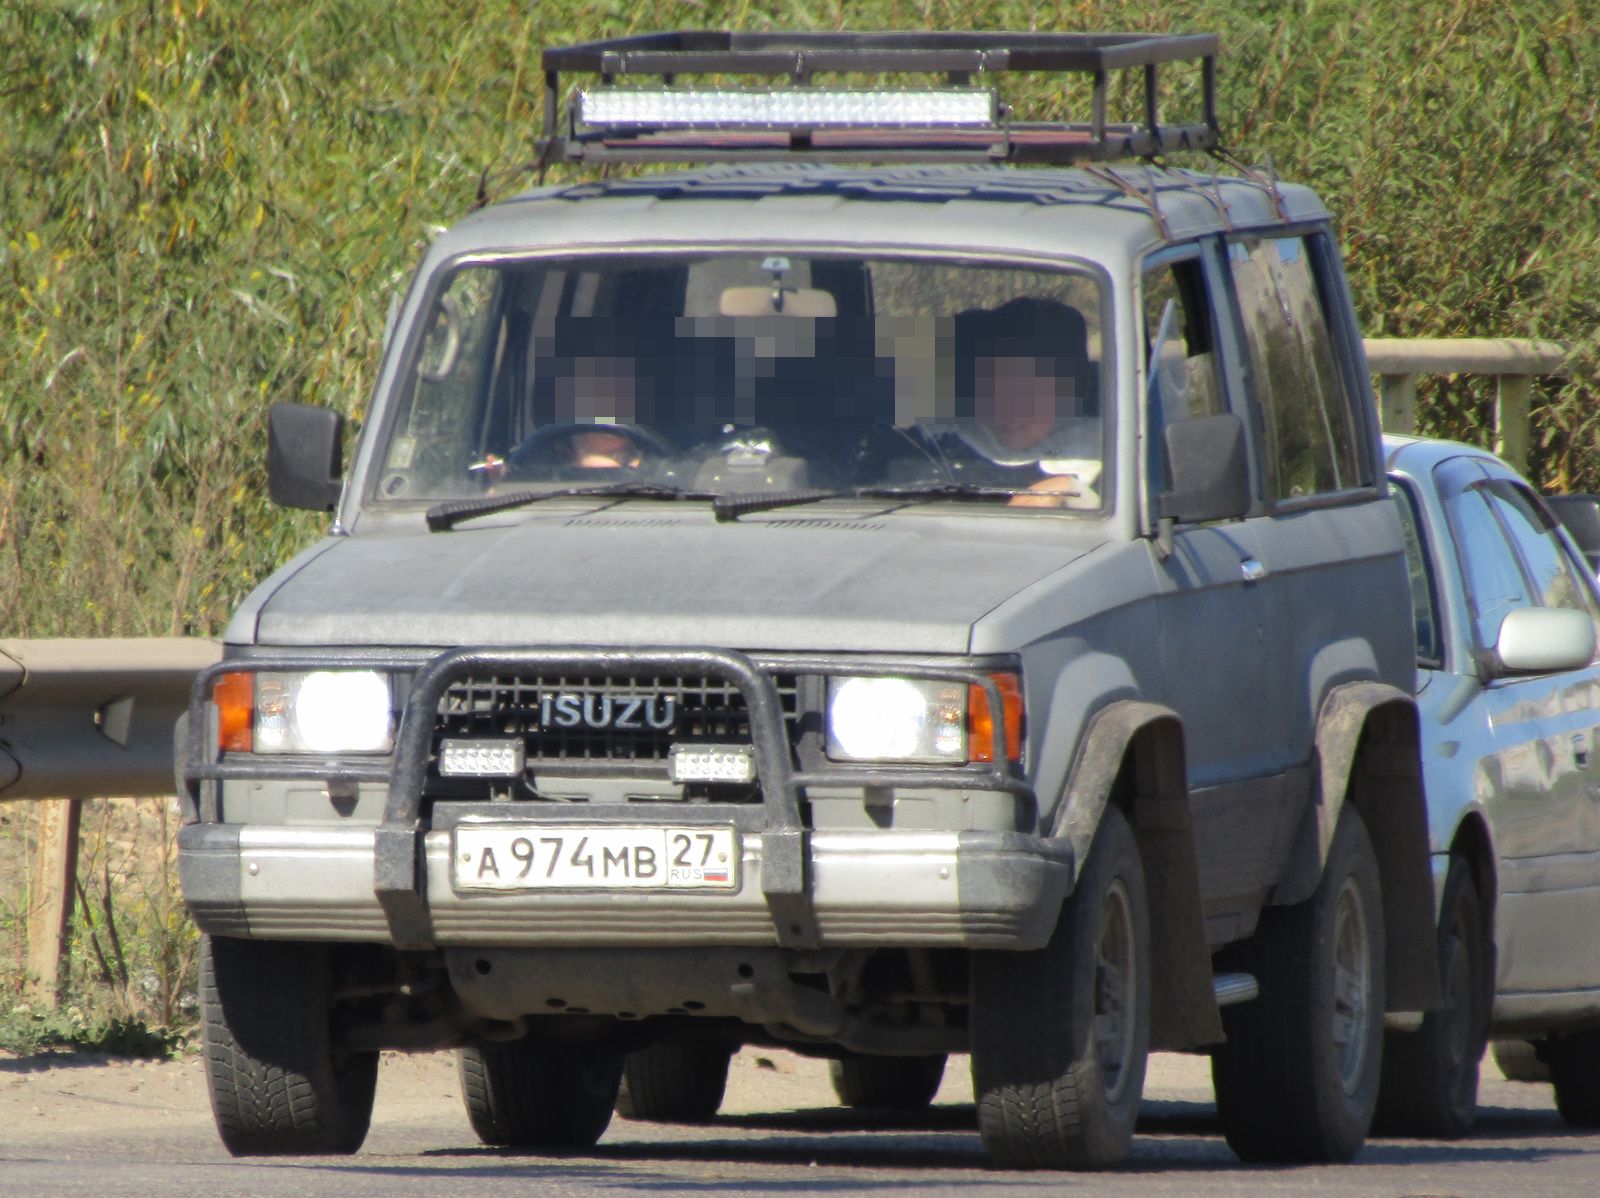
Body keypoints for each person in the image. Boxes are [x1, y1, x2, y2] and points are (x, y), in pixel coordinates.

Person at [929, 296, 1102, 508]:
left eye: (1030, 393)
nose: (1009, 410)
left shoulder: (1103, 449)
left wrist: (1071, 489)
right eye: (995, 388)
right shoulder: (938, 442)